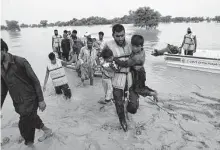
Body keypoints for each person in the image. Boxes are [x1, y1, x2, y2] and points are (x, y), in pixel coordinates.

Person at [1, 39, 52, 146]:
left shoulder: (20, 61)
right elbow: (3, 89)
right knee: (31, 119)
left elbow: (35, 80)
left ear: (4, 50)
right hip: (18, 102)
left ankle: (29, 145)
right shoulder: (0, 68)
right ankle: (47, 131)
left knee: (23, 126)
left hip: (31, 99)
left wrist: (41, 100)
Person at [103, 24, 139, 132]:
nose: (120, 38)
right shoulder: (108, 45)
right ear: (113, 35)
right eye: (117, 36)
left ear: (125, 34)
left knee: (133, 107)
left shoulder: (130, 43)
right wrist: (109, 68)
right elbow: (101, 60)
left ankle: (127, 109)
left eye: (122, 35)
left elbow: (139, 55)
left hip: (130, 77)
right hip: (117, 78)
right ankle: (122, 121)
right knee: (118, 103)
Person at [113, 35, 158, 101]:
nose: (134, 48)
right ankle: (153, 92)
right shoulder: (142, 50)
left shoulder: (136, 57)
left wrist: (115, 59)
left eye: (137, 46)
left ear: (141, 46)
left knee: (138, 89)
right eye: (133, 46)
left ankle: (152, 93)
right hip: (141, 71)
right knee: (141, 86)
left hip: (138, 74)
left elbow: (125, 64)